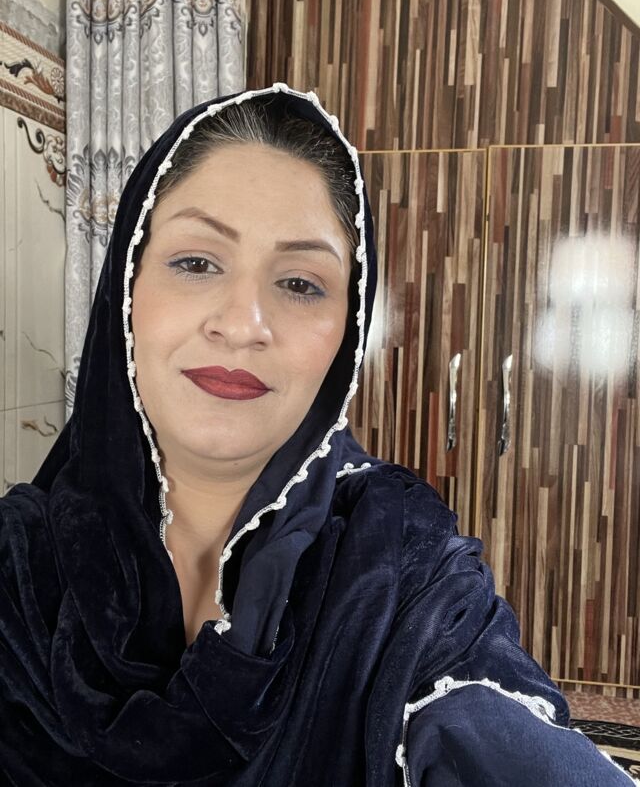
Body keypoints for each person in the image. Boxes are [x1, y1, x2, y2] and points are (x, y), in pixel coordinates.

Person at [0, 83, 635, 786]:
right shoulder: (19, 564)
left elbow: (486, 726)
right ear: (126, 288)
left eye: (300, 283)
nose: (242, 324)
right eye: (196, 263)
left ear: (346, 333)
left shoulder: (398, 563)